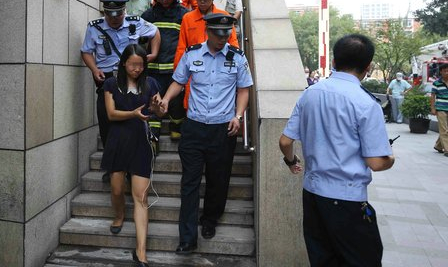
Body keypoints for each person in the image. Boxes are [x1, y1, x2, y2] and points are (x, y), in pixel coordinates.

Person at [279, 33, 395, 267]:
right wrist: (390, 158)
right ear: (368, 67)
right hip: (347, 199)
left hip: (312, 195)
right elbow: (376, 162)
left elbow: (284, 142)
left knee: (322, 260)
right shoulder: (366, 103)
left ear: (334, 62)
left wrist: (292, 162)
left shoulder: (310, 93)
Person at [159, 13, 253, 254]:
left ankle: (210, 219)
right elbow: (179, 81)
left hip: (223, 130)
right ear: (208, 32)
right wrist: (167, 99)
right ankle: (187, 238)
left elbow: (244, 90)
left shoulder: (237, 58)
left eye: (227, 33)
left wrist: (238, 116)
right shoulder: (192, 54)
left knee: (217, 179)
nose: (223, 38)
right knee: (189, 183)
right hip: (194, 128)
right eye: (218, 34)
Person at [80, 0, 160, 182]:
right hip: (108, 79)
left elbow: (155, 31)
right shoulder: (94, 27)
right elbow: (85, 51)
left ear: (124, 11)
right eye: (110, 15)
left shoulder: (135, 22)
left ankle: (133, 165)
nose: (114, 18)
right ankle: (113, 166)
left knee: (134, 123)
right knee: (107, 123)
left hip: (132, 79)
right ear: (105, 13)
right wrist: (94, 69)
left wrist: (153, 54)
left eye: (118, 14)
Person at [100, 44, 163, 267]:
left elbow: (161, 111)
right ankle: (118, 215)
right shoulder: (111, 83)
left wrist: (157, 108)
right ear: (124, 63)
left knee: (141, 198)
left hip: (141, 142)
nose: (137, 69)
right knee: (117, 189)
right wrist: (134, 113)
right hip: (118, 140)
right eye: (133, 64)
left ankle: (141, 252)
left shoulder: (151, 83)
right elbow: (111, 114)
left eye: (141, 65)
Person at [174, 0, 240, 138]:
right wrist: (179, 78)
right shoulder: (188, 19)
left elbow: (234, 46)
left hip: (220, 76)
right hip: (195, 77)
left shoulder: (224, 16)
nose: (202, 1)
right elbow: (181, 49)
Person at [141, 0, 189, 146]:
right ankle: (153, 135)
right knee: (153, 100)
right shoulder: (148, 15)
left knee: (176, 101)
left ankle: (176, 126)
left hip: (175, 69)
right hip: (153, 69)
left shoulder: (183, 15)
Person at [430, 63, 448, 156]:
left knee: (444, 129)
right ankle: (447, 149)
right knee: (444, 129)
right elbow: (433, 96)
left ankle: (438, 146)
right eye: (445, 71)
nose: (447, 72)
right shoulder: (436, 83)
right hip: (441, 108)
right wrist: (433, 108)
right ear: (441, 72)